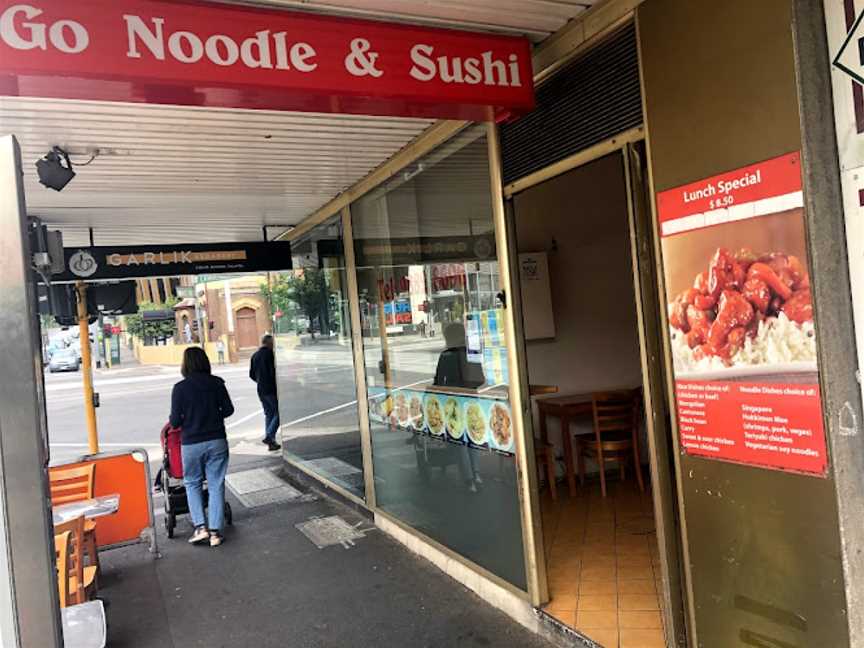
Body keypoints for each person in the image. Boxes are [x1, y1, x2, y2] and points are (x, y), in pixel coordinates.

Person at [169, 347, 234, 547]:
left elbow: (174, 422)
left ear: (185, 364)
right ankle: (215, 533)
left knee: (192, 483)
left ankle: (201, 528)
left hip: (191, 443)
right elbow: (229, 409)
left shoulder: (180, 388)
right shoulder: (217, 383)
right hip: (216, 440)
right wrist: (213, 415)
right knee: (215, 483)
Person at [250, 334, 281, 451]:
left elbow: (251, 374)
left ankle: (271, 443)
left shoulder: (255, 356)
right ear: (268, 343)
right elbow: (273, 372)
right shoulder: (270, 354)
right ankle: (269, 435)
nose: (273, 345)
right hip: (271, 389)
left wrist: (260, 381)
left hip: (261, 389)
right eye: (272, 343)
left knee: (269, 414)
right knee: (278, 413)